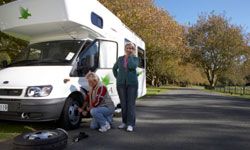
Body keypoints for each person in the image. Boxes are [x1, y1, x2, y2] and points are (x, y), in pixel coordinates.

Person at [112, 42, 139, 132]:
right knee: (123, 104)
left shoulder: (135, 59)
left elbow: (132, 66)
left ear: (133, 50)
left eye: (131, 48)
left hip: (132, 84)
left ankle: (130, 124)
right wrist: (118, 77)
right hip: (121, 84)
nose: (129, 49)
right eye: (128, 48)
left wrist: (130, 56)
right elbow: (114, 68)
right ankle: (124, 122)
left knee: (130, 104)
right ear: (125, 49)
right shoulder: (120, 59)